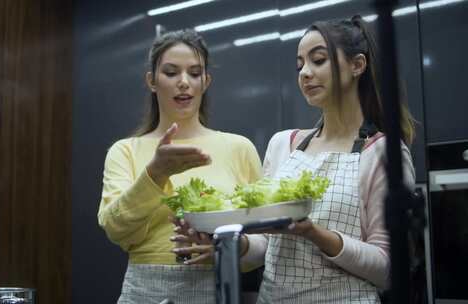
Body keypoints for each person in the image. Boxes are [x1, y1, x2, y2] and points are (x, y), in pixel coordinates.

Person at [174, 16, 416, 303]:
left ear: (357, 65)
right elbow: (267, 245)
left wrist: (316, 234)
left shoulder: (383, 153)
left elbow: (389, 269)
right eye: (300, 64)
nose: (305, 73)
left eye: (318, 60)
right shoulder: (283, 145)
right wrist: (231, 244)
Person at [97, 29, 262, 304]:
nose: (184, 82)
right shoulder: (125, 150)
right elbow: (115, 228)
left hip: (219, 288)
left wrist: (228, 248)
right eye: (171, 73)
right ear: (152, 81)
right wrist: (155, 173)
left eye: (194, 73)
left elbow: (267, 240)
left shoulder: (239, 148)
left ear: (206, 81)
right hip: (144, 291)